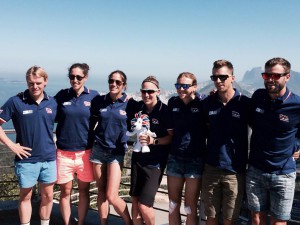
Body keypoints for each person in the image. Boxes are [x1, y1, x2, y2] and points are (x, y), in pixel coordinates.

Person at [246, 57, 300, 225]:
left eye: (276, 76)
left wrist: (296, 146)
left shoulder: (296, 105)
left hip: (283, 172)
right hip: (256, 169)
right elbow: (248, 118)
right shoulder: (258, 96)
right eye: (266, 75)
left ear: (287, 77)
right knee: (256, 218)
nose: (270, 80)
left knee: (279, 222)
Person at [0, 66, 57, 225]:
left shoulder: (52, 102)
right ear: (27, 82)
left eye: (38, 82)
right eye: (31, 83)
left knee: (48, 196)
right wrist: (12, 146)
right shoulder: (16, 101)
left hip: (49, 158)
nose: (35, 86)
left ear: (45, 81)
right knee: (25, 196)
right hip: (26, 160)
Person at [201, 60, 250, 225]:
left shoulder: (245, 103)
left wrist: (296, 145)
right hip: (211, 168)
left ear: (232, 78)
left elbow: (265, 127)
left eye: (223, 77)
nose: (218, 80)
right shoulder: (207, 104)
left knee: (230, 219)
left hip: (235, 171)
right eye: (214, 77)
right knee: (211, 217)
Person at [55, 63, 99, 225]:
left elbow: (109, 110)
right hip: (63, 152)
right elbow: (45, 108)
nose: (75, 80)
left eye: (79, 77)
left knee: (83, 191)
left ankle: (80, 223)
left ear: (85, 78)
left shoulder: (93, 96)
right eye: (72, 77)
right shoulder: (62, 95)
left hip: (85, 153)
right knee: (65, 192)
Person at [127, 76, 173, 225]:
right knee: (135, 201)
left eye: (150, 91)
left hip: (155, 164)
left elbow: (171, 138)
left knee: (144, 206)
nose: (146, 94)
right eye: (143, 91)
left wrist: (155, 141)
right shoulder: (138, 108)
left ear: (158, 92)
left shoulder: (165, 111)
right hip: (137, 160)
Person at [89, 70, 133, 225]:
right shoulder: (99, 101)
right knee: (101, 192)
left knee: (111, 195)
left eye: (118, 82)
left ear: (124, 85)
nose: (113, 84)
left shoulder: (130, 103)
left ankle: (129, 221)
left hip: (116, 152)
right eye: (111, 81)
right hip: (98, 150)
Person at [167, 72, 206, 225]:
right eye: (178, 85)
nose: (181, 89)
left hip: (195, 159)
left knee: (190, 206)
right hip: (175, 157)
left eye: (185, 86)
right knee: (172, 204)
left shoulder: (202, 104)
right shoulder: (173, 103)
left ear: (194, 87)